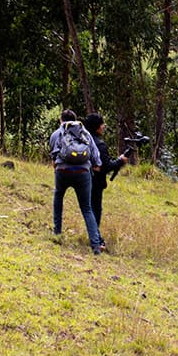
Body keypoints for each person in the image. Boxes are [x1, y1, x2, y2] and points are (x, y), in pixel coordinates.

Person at [49, 109, 104, 254]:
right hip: (83, 173)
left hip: (62, 171)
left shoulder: (57, 133)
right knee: (87, 208)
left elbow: (54, 160)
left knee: (58, 196)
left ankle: (57, 232)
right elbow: (97, 161)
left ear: (61, 120)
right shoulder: (85, 133)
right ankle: (96, 246)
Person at [83, 112, 126, 251]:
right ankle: (97, 240)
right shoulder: (99, 145)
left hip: (83, 179)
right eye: (102, 124)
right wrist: (120, 161)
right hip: (96, 183)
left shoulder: (82, 140)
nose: (103, 126)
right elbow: (105, 167)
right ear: (96, 127)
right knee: (95, 210)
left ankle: (95, 238)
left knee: (88, 209)